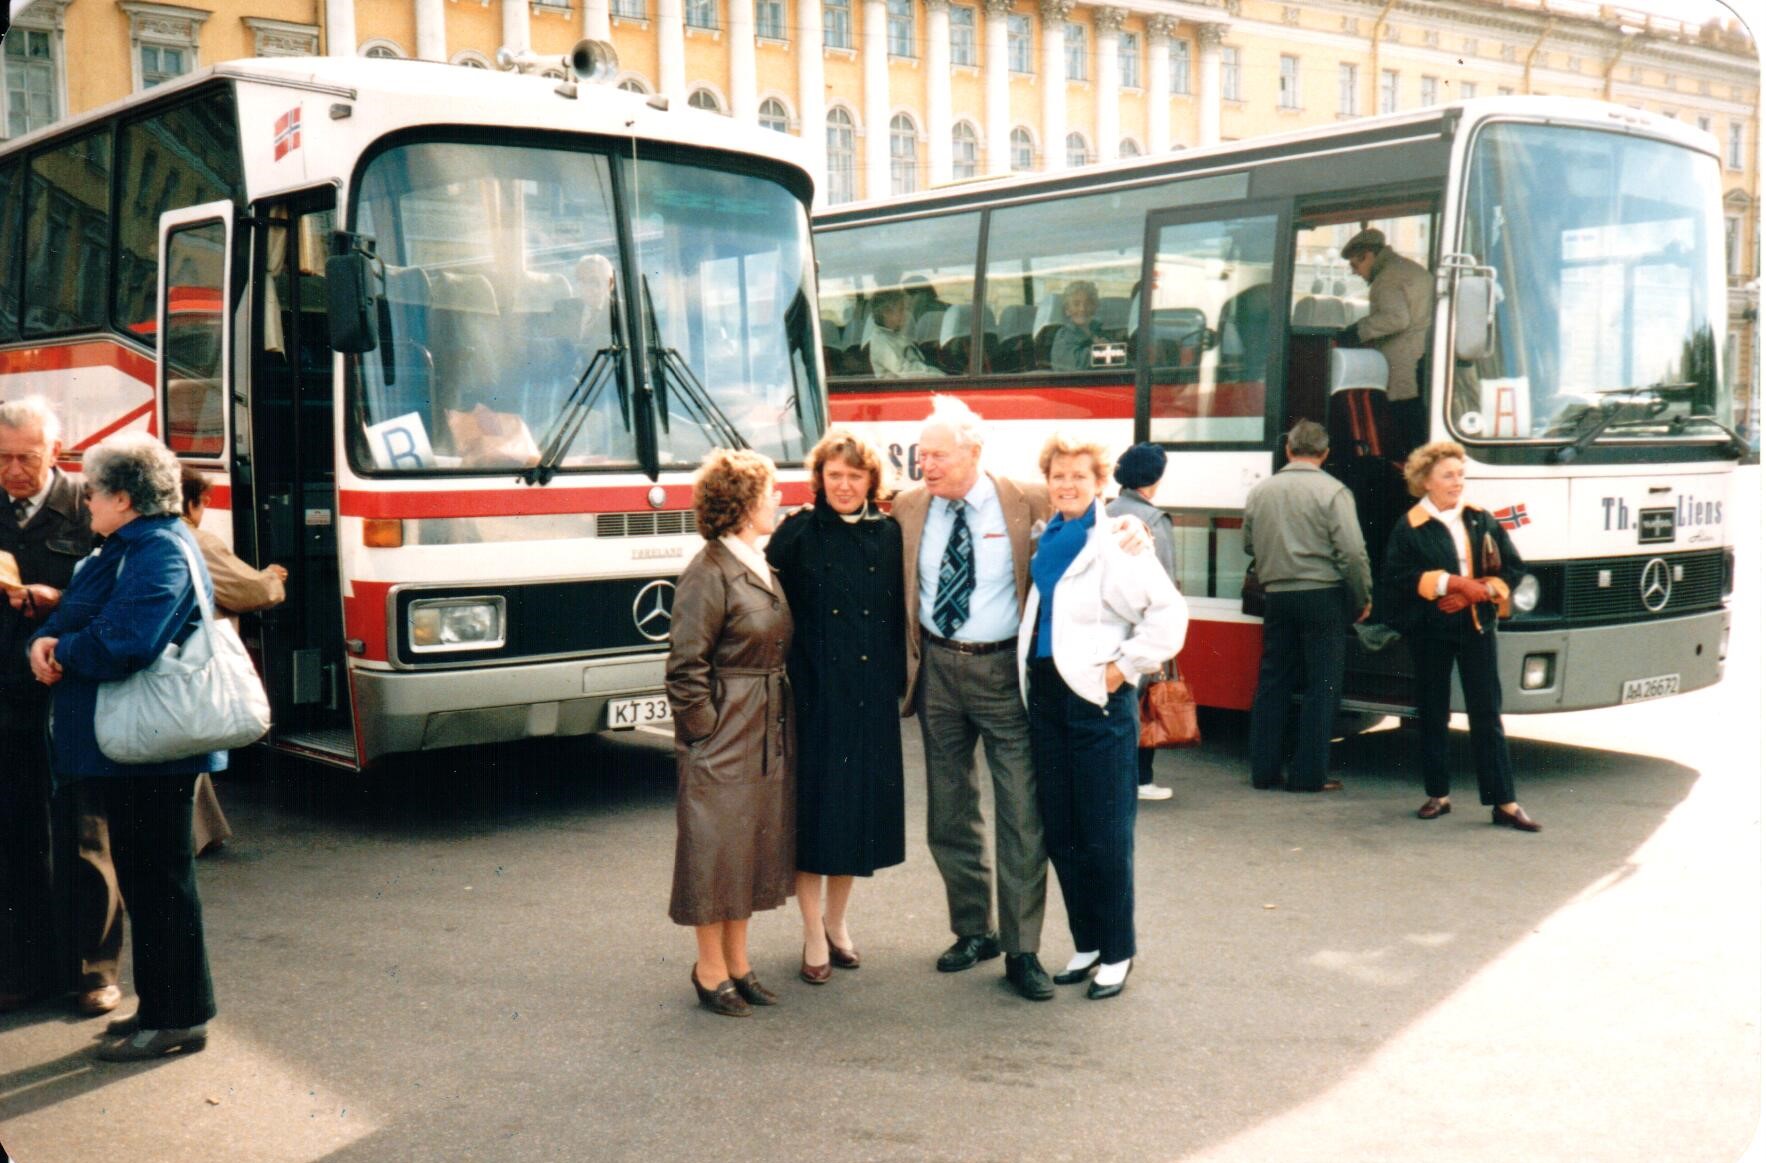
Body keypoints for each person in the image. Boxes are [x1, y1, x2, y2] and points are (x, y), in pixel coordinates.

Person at [893, 395, 1150, 1001]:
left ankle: (1022, 948)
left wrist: (1129, 523)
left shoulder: (1026, 500)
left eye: (937, 455)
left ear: (973, 453)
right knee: (950, 810)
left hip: (1006, 674)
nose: (924, 465)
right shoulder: (907, 509)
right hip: (937, 670)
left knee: (1021, 813)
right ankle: (972, 929)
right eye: (920, 455)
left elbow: (1090, 516)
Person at [28, 431, 222, 1060]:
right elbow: (74, 613)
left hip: (152, 751)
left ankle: (176, 1020)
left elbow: (126, 641)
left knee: (161, 884)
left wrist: (62, 650)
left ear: (123, 496)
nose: (86, 503)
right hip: (127, 748)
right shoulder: (130, 545)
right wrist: (46, 641)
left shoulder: (158, 550)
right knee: (148, 880)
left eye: (93, 493)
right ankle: (164, 1007)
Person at [1021, 434, 1186, 1000]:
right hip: (1045, 694)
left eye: (1079, 476)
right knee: (1063, 831)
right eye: (1058, 475)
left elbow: (1168, 615)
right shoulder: (1049, 537)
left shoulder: (1117, 539)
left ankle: (1118, 951)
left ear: (1099, 484)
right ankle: (1087, 942)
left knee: (1106, 832)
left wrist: (1123, 669)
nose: (1067, 484)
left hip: (1096, 697)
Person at [765, 429, 906, 985]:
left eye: (854, 475)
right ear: (819, 479)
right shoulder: (795, 533)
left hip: (870, 701)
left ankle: (837, 924)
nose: (844, 485)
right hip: (815, 698)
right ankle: (809, 933)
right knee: (815, 818)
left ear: (872, 480)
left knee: (854, 821)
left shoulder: (889, 533)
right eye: (834, 475)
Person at [0, 396, 122, 1020]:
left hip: (73, 692)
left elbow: (124, 593)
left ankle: (92, 972)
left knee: (83, 832)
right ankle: (23, 969)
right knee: (13, 836)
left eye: (27, 457)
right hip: (5, 695)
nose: (14, 471)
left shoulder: (89, 506)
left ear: (56, 452)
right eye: (3, 458)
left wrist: (58, 600)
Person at [666, 448, 795, 1017]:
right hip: (727, 730)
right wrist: (705, 733)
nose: (779, 501)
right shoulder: (709, 570)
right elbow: (684, 666)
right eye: (770, 493)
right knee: (714, 851)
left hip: (762, 725)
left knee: (747, 849)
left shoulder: (757, 561)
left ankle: (739, 964)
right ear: (743, 504)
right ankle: (709, 969)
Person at [1380, 441, 1539, 831]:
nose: (1457, 482)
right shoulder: (1410, 526)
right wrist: (1449, 585)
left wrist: (1481, 591)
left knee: (1487, 713)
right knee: (1433, 712)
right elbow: (1396, 579)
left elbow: (1513, 568)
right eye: (1448, 475)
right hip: (1431, 631)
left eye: (1460, 474)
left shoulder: (1479, 518)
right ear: (1426, 481)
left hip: (1478, 627)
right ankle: (1438, 794)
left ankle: (1505, 802)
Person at [1243, 420, 1372, 793]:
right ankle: (1308, 775)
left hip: (1277, 595)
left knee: (1273, 681)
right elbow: (1351, 553)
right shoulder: (1334, 492)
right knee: (1322, 684)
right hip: (1322, 595)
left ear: (1288, 450)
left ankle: (1264, 772)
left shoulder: (1261, 491)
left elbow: (1249, 543)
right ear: (1326, 453)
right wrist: (1362, 597)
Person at [180, 466, 289, 856]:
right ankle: (187, 838)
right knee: (188, 744)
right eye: (203, 502)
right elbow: (246, 590)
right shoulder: (195, 540)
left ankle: (203, 832)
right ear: (191, 502)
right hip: (195, 658)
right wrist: (272, 577)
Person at [1106, 441, 1180, 801]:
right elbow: (1163, 583)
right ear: (1155, 480)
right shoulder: (1153, 519)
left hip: (1104, 630)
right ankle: (1139, 780)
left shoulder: (1104, 511)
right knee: (1139, 707)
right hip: (1137, 632)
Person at [1339, 228, 1434, 454]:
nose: (1355, 273)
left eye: (1355, 265)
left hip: (1406, 368)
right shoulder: (1410, 269)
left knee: (1409, 437)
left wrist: (1358, 331)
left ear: (1369, 256)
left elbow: (1395, 319)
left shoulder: (1386, 279)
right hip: (1425, 362)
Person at [865, 288, 939, 379]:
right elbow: (906, 371)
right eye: (901, 310)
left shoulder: (896, 334)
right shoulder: (881, 342)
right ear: (886, 312)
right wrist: (939, 376)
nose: (905, 314)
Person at [1050, 280, 1106, 371]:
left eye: (1087, 303)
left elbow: (1126, 364)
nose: (1082, 309)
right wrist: (1099, 349)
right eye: (1076, 304)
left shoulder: (1101, 332)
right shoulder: (1063, 337)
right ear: (1067, 310)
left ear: (1094, 307)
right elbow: (1074, 366)